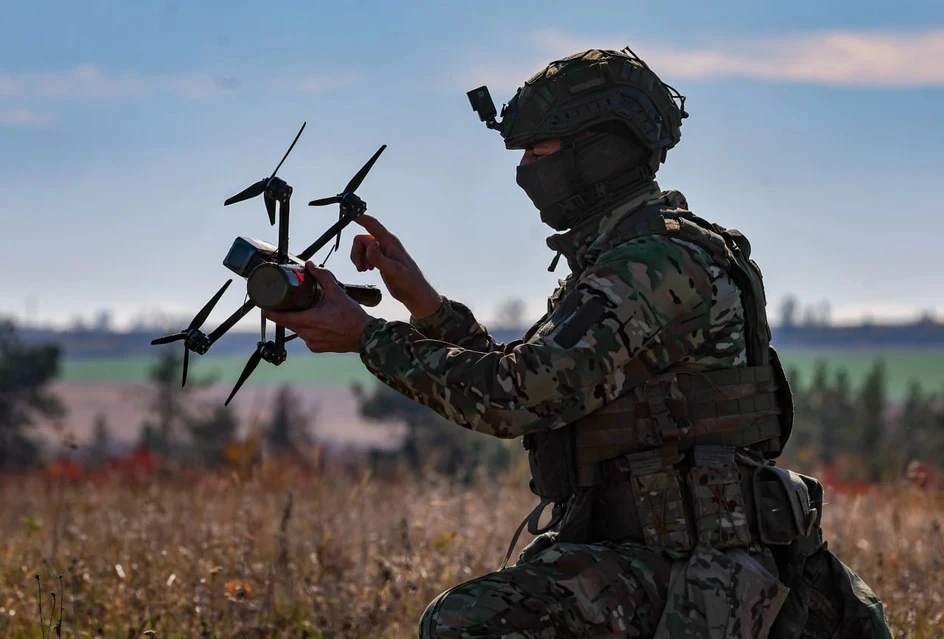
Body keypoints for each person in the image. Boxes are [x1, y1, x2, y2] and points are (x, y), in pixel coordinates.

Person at [265, 48, 892, 638]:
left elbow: (515, 397)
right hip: (653, 552)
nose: (524, 170)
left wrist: (370, 338)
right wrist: (423, 303)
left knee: (469, 623)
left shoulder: (655, 263)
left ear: (600, 153)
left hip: (704, 574)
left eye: (540, 149)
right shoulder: (630, 255)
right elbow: (534, 376)